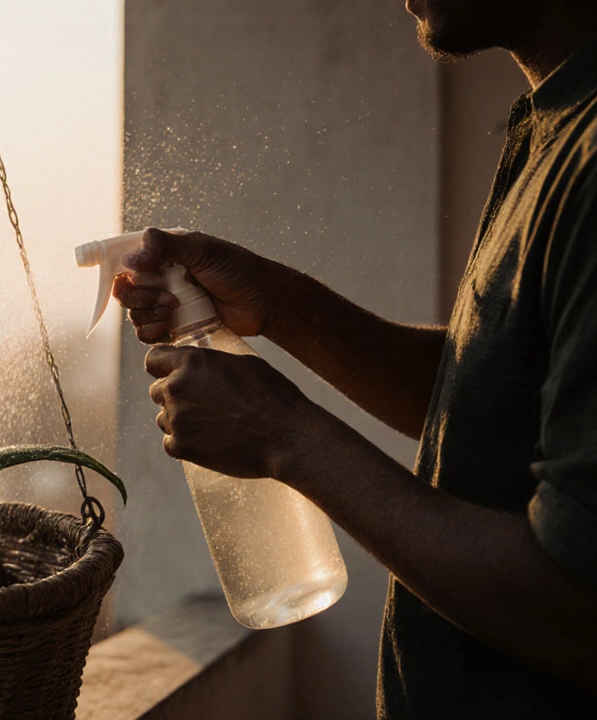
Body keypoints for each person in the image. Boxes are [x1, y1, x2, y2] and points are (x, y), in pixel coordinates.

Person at [113, 0, 597, 717]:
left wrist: (287, 438)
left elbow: (573, 600)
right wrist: (278, 306)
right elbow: (495, 400)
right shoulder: (555, 122)